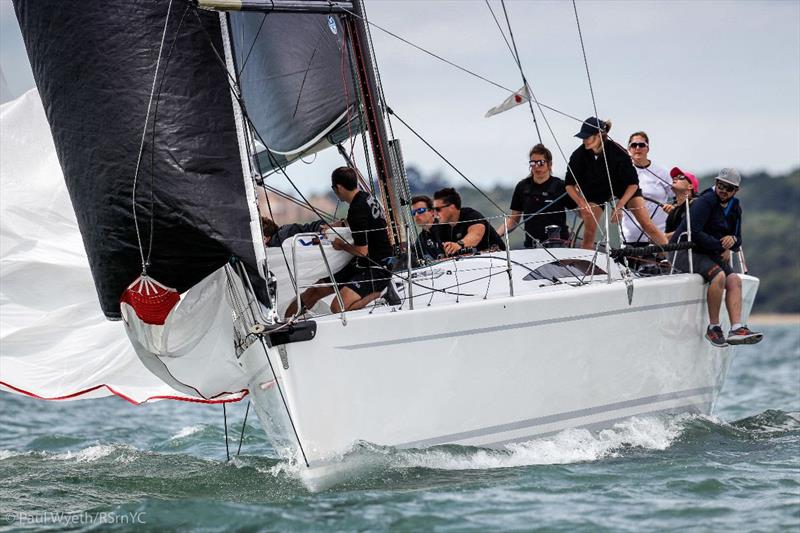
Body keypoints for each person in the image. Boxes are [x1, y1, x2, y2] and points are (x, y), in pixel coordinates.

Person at [670, 168, 762, 347]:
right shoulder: (704, 202)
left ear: (736, 190)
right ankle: (713, 327)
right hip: (683, 252)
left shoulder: (735, 207)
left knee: (734, 279)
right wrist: (721, 245)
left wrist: (732, 240)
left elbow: (738, 240)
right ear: (716, 183)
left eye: (728, 187)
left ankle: (736, 329)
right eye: (720, 185)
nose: (723, 190)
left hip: (708, 252)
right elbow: (694, 233)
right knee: (719, 275)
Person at [285, 167, 393, 316]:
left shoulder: (357, 208)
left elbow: (362, 251)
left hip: (378, 266)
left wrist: (340, 245)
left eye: (334, 188)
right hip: (361, 263)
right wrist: (333, 226)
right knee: (315, 290)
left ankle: (382, 293)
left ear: (339, 187)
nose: (334, 191)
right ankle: (287, 323)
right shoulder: (364, 197)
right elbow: (356, 221)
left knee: (337, 307)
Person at [565, 117, 667, 249]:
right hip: (597, 192)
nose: (583, 140)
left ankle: (672, 261)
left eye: (587, 137)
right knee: (589, 232)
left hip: (624, 188)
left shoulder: (619, 152)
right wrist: (581, 203)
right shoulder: (578, 155)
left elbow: (633, 184)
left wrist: (619, 206)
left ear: (600, 136)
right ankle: (585, 269)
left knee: (647, 225)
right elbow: (569, 185)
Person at [497, 143, 569, 247]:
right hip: (532, 246)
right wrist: (495, 235)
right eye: (533, 163)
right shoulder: (522, 187)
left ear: (550, 164)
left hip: (559, 246)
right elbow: (513, 220)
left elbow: (580, 211)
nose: (536, 166)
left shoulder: (561, 186)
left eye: (541, 162)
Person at [622, 131, 673, 245]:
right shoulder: (622, 172)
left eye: (642, 145)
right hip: (631, 238)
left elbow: (676, 196)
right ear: (629, 149)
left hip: (658, 238)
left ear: (648, 149)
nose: (638, 148)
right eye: (634, 145)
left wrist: (673, 207)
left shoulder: (662, 172)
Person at [431, 187, 505, 256]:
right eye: (433, 209)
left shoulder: (470, 215)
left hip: (496, 259)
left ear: (451, 207)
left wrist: (459, 245)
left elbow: (476, 235)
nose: (434, 213)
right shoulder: (440, 226)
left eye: (437, 209)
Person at [663, 166, 699, 239]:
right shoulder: (674, 210)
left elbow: (689, 230)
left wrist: (660, 237)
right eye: (674, 177)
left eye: (681, 177)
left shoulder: (697, 204)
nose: (675, 178)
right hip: (676, 249)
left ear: (690, 186)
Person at [410, 195, 444, 260]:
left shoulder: (446, 228)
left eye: (420, 210)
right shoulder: (421, 239)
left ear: (432, 212)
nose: (416, 215)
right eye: (413, 213)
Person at [261, 217, 325, 248]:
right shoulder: (285, 232)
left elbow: (309, 228)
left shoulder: (285, 233)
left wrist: (323, 227)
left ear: (265, 239)